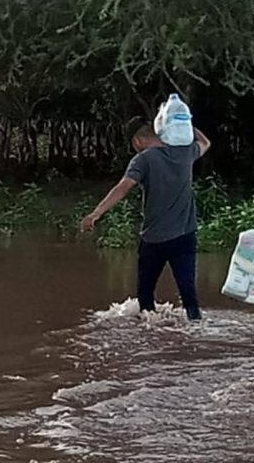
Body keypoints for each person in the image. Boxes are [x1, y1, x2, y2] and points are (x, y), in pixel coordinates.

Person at [80, 113, 211, 320]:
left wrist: (96, 213)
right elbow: (205, 142)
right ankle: (195, 334)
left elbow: (122, 188)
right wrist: (186, 122)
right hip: (185, 237)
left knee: (145, 297)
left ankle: (147, 337)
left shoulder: (144, 159)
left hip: (154, 240)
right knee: (189, 297)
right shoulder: (185, 152)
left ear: (138, 140)